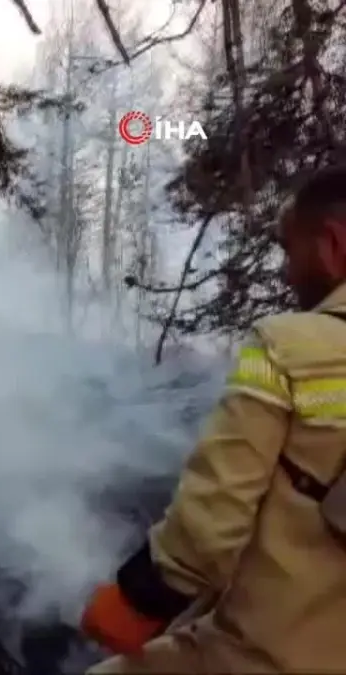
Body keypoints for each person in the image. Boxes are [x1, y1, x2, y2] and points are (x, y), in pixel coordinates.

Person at [80, 166, 346, 673]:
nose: (287, 274)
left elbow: (212, 519)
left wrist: (138, 599)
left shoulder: (286, 347)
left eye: (291, 252)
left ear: (332, 244)